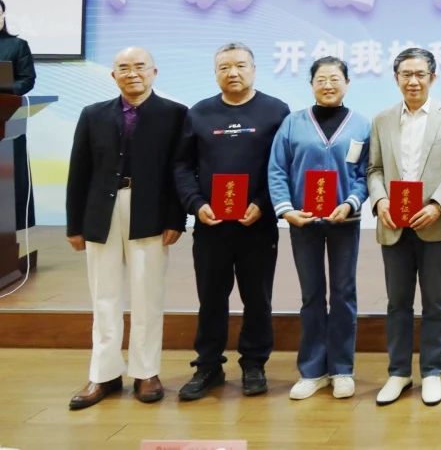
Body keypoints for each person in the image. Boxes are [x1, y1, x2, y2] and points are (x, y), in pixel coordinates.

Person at [65, 46, 186, 409]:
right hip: (101, 211)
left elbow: (180, 171)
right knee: (104, 295)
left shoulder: (175, 114)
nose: (132, 73)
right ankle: (103, 373)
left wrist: (176, 219)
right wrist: (75, 224)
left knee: (147, 294)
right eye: (124, 67)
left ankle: (146, 372)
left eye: (140, 67)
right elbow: (79, 170)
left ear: (154, 72)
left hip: (150, 212)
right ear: (113, 75)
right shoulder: (93, 114)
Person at [173, 43, 291, 400]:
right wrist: (196, 204)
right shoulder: (199, 113)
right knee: (211, 298)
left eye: (240, 65)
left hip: (257, 224)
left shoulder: (276, 111)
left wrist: (262, 204)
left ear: (254, 69)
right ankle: (208, 366)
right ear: (215, 73)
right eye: (224, 67)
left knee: (258, 297)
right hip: (211, 226)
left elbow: (283, 165)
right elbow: (182, 166)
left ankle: (254, 364)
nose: (233, 72)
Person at [367, 47, 441, 407]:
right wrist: (380, 201)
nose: (413, 81)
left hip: (435, 224)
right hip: (393, 223)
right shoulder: (381, 120)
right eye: (406, 74)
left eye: (420, 74)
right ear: (396, 78)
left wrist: (437, 205)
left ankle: (432, 372)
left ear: (432, 77)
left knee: (435, 302)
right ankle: (398, 372)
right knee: (397, 302)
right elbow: (374, 169)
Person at [267, 56, 370, 401]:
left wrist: (351, 203)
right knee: (311, 295)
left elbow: (365, 174)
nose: (328, 85)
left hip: (345, 222)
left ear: (347, 83)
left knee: (343, 294)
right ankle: (312, 371)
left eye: (335, 79)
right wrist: (286, 210)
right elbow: (277, 169)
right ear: (311, 84)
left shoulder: (361, 125)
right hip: (303, 222)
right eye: (321, 79)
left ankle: (342, 369)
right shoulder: (292, 123)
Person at [0, 0, 38, 232]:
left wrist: (5, 88)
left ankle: (8, 232)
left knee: (8, 177)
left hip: (5, 119)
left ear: (3, 16)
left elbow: (27, 79)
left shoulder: (17, 45)